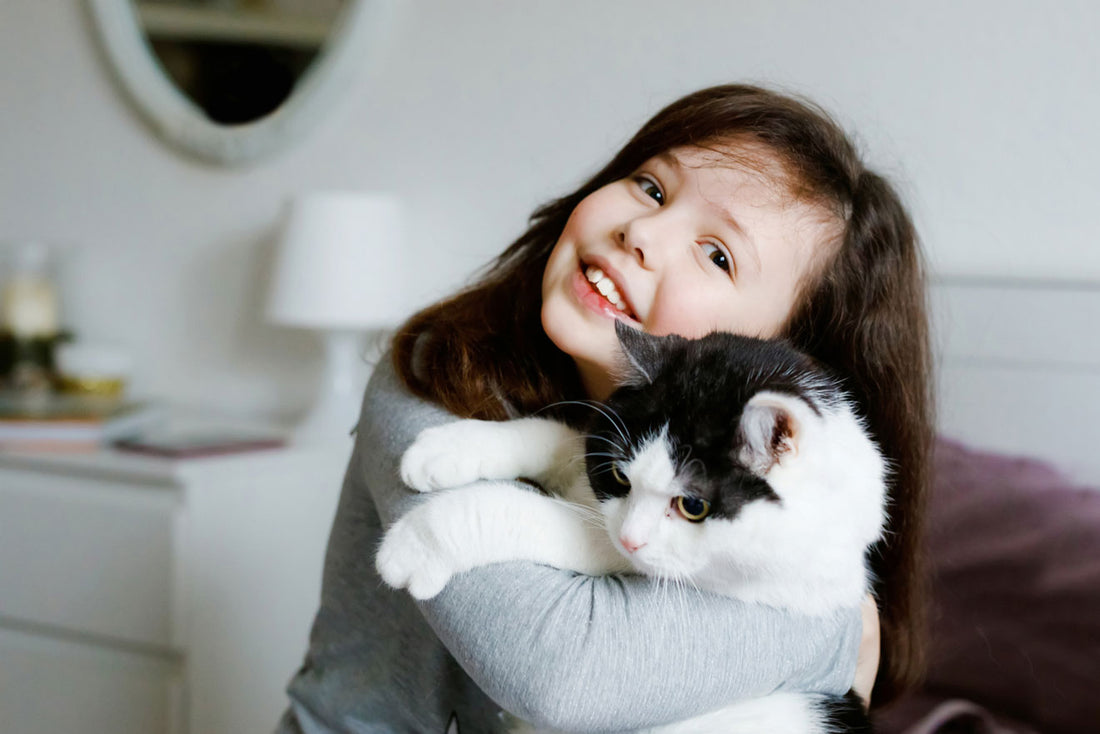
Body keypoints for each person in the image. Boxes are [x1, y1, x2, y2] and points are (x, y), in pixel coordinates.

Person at [276, 84, 932, 733]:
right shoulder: (434, 375)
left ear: (783, 363)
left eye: (718, 255)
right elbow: (563, 674)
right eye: (651, 187)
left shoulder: (747, 509)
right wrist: (837, 635)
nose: (641, 233)